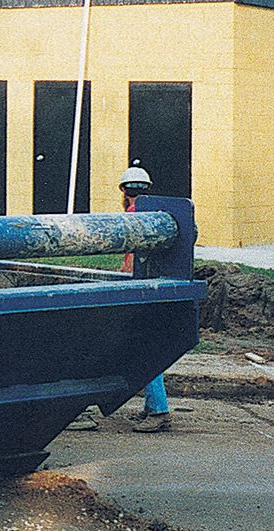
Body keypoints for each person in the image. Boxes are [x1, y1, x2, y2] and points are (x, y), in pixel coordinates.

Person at [119, 166, 172, 433]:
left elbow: (130, 262)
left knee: (146, 350)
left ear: (123, 191)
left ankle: (159, 410)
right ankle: (153, 405)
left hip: (141, 289)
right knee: (146, 349)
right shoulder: (160, 213)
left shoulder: (132, 215)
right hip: (158, 287)